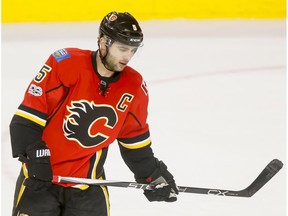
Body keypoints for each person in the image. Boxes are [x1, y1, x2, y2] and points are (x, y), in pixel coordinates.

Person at [9, 11, 178, 216]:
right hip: (41, 180)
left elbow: (133, 140)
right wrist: (36, 157)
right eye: (123, 48)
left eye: (133, 50)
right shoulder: (66, 63)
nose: (128, 57)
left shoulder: (133, 86)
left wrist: (152, 174)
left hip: (88, 189)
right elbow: (26, 120)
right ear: (103, 42)